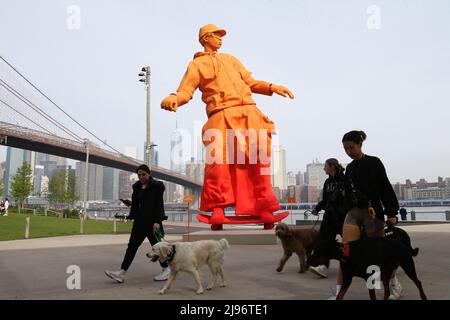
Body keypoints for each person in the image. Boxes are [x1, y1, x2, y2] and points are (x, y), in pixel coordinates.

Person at [160, 24, 295, 230]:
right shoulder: (196, 65)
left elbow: (250, 82)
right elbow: (186, 91)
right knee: (218, 164)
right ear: (205, 38)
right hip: (220, 114)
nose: (221, 39)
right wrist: (174, 97)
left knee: (259, 159)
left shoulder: (231, 59)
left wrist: (271, 87)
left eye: (221, 35)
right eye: (216, 35)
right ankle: (217, 209)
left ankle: (264, 207)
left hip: (249, 112)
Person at [329, 130, 401, 300]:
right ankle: (339, 292)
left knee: (378, 254)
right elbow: (348, 194)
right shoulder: (350, 168)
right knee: (345, 253)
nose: (348, 152)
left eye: (351, 148)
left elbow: (385, 187)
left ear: (360, 145)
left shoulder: (374, 162)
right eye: (345, 149)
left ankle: (392, 285)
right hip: (354, 212)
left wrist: (391, 212)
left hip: (373, 211)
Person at [105, 164, 170, 283]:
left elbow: (158, 204)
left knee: (158, 247)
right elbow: (140, 203)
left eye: (143, 174)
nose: (141, 177)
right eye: (139, 175)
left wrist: (157, 221)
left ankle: (166, 270)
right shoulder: (138, 187)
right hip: (140, 223)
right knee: (131, 247)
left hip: (152, 223)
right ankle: (122, 272)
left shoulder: (156, 186)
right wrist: (129, 203)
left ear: (148, 174)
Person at [309, 158, 346, 279]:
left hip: (343, 217)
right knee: (323, 242)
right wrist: (317, 209)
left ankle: (356, 264)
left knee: (350, 242)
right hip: (329, 217)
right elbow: (325, 200)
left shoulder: (344, 179)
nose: (324, 168)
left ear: (332, 167)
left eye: (326, 166)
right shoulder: (327, 182)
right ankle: (323, 267)